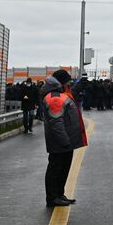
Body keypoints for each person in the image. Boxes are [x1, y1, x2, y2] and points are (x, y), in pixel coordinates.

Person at [40, 70, 86, 207]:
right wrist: (65, 141)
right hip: (61, 141)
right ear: (61, 82)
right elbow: (56, 122)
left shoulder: (59, 93)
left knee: (62, 169)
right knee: (56, 169)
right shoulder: (55, 97)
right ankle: (53, 197)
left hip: (65, 140)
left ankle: (59, 194)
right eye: (68, 81)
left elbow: (71, 95)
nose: (70, 84)